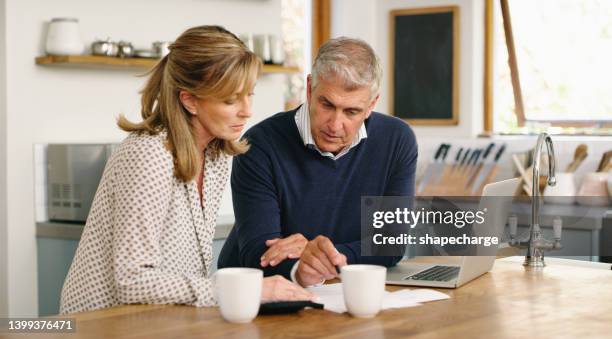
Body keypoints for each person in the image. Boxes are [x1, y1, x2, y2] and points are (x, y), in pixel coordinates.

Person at [60, 25, 313, 314]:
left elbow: (188, 270)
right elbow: (131, 281)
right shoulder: (149, 154)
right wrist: (245, 290)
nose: (247, 111)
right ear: (189, 100)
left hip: (161, 321)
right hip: (101, 323)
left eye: (249, 95)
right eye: (231, 100)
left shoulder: (216, 154)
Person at [218, 37, 418, 287]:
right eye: (327, 104)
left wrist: (320, 255)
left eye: (351, 112)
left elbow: (390, 244)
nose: (335, 125)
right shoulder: (259, 144)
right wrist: (308, 264)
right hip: (253, 296)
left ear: (371, 105)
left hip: (336, 288)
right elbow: (257, 252)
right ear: (310, 89)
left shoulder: (397, 140)